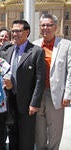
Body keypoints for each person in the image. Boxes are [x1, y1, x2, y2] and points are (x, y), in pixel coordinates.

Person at [1, 20, 45, 150]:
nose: (15, 34)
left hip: (27, 104)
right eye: (13, 31)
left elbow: (39, 80)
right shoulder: (7, 51)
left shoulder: (36, 52)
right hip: (10, 101)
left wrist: (35, 103)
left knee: (26, 140)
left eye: (18, 31)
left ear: (27, 32)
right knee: (12, 136)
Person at [33, 14, 71, 150]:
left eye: (49, 25)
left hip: (56, 95)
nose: (45, 28)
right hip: (37, 94)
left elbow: (70, 71)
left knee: (55, 132)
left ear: (55, 27)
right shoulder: (35, 45)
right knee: (39, 132)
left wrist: (67, 94)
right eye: (43, 25)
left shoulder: (66, 45)